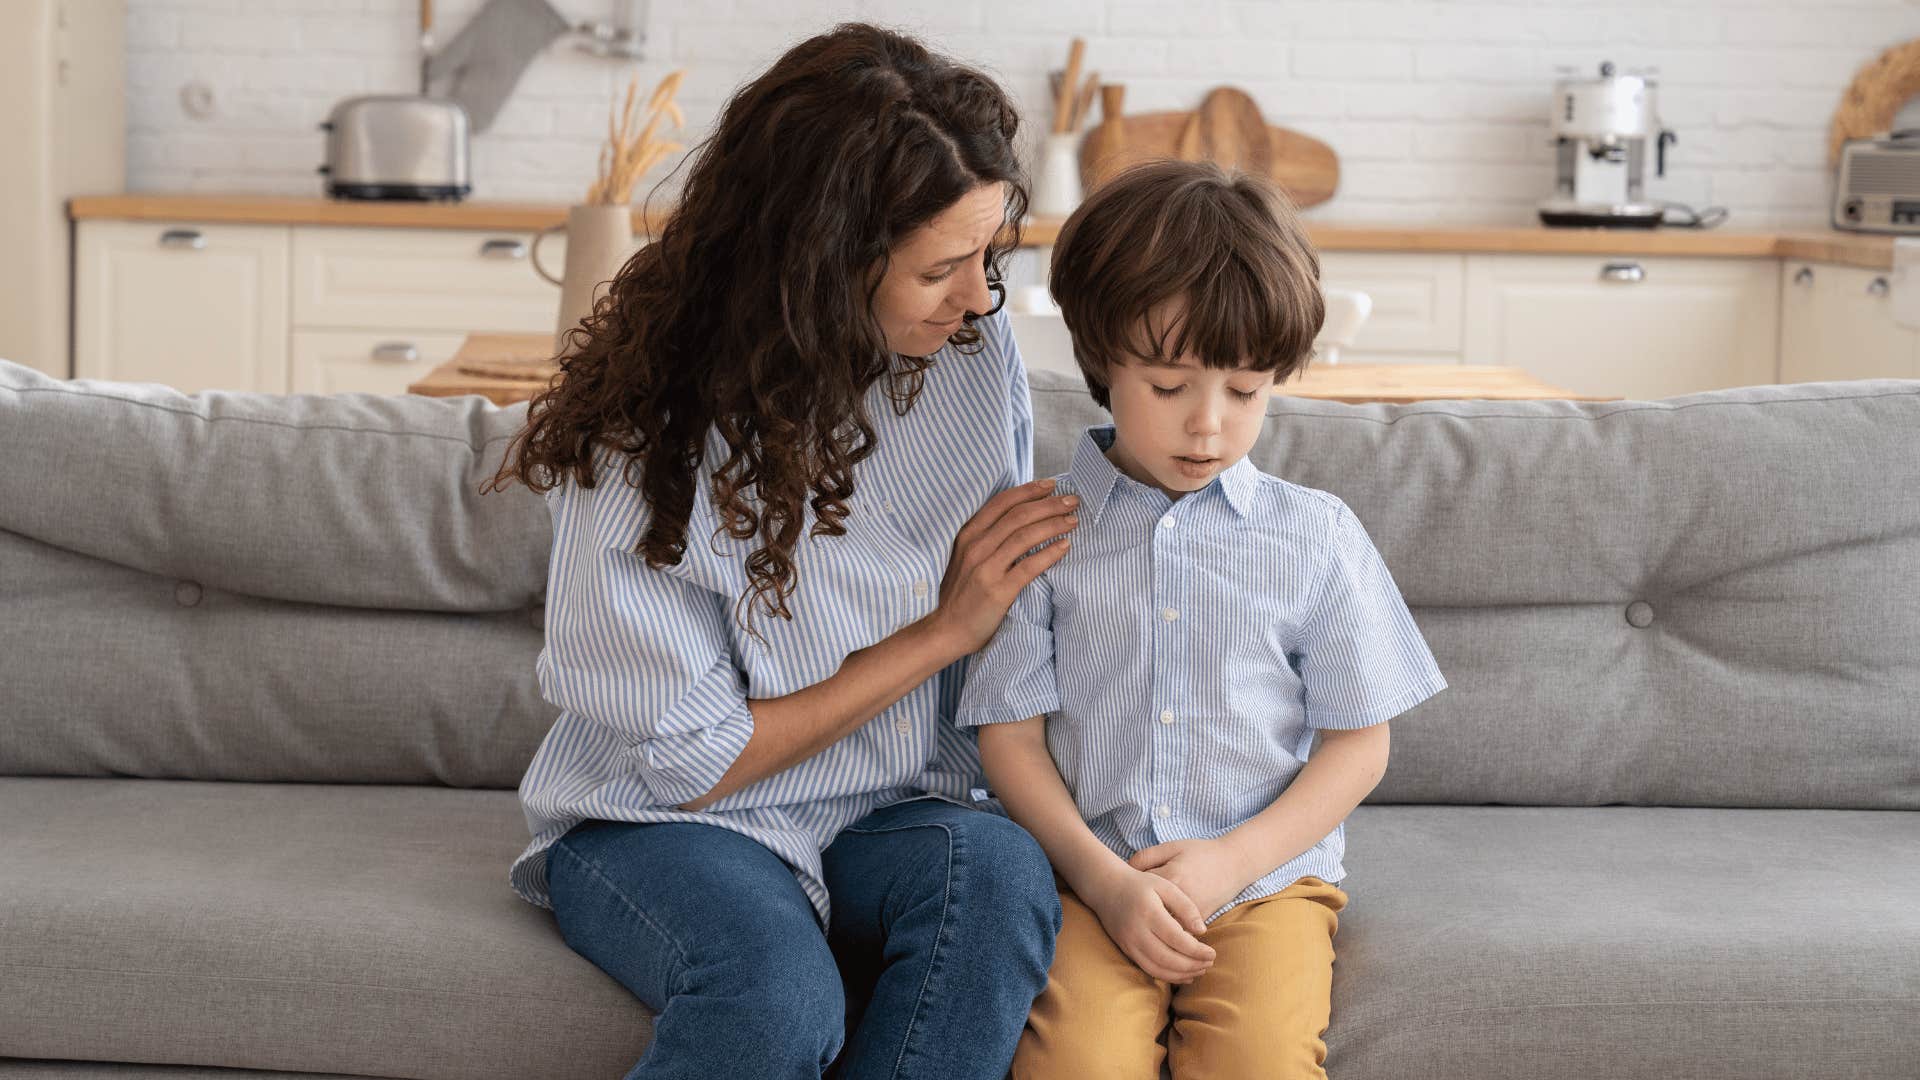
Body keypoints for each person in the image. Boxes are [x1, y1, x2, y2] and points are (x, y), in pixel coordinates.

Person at [488, 23, 1072, 1080]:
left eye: (989, 254)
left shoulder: (974, 363)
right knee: (776, 1001)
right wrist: (945, 630)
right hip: (662, 824)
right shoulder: (648, 433)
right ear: (824, 260)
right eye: (943, 266)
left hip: (891, 810)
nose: (982, 296)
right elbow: (695, 763)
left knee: (997, 879)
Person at [956, 160, 1448, 1080]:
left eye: (1246, 390)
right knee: (1075, 1067)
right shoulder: (1044, 533)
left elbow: (1359, 744)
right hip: (1088, 881)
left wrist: (1228, 864)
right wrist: (1104, 883)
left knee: (1258, 1065)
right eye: (1171, 387)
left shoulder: (1316, 536)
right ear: (1101, 360)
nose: (1209, 428)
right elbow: (1009, 739)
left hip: (1263, 888)